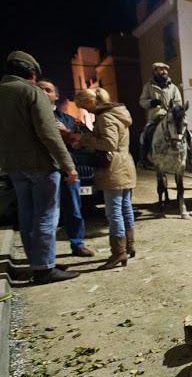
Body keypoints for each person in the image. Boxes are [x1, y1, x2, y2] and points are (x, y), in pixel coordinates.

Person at [0, 51, 79, 284]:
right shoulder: (31, 92)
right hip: (40, 164)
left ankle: (38, 262)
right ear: (32, 74)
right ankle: (44, 268)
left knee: (26, 215)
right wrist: (68, 165)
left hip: (13, 165)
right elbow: (49, 134)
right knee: (45, 215)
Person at [67, 88, 136, 270]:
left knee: (113, 212)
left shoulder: (105, 117)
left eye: (84, 107)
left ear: (91, 102)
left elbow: (109, 143)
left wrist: (84, 139)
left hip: (113, 167)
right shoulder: (118, 113)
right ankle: (129, 246)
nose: (86, 111)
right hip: (125, 164)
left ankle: (118, 252)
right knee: (125, 207)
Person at [37, 79, 94, 257]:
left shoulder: (69, 119)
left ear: (56, 96)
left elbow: (87, 140)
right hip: (43, 171)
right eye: (40, 90)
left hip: (68, 171)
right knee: (45, 214)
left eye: (48, 90)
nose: (45, 93)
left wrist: (68, 134)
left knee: (74, 210)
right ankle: (45, 253)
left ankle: (77, 244)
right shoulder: (33, 118)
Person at [138, 62, 182, 168]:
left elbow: (179, 102)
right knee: (145, 134)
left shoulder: (173, 88)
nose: (164, 72)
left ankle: (190, 157)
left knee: (185, 132)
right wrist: (151, 103)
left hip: (170, 116)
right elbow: (142, 101)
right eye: (161, 69)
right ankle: (143, 159)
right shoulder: (148, 86)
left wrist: (174, 106)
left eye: (165, 69)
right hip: (155, 115)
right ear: (155, 71)